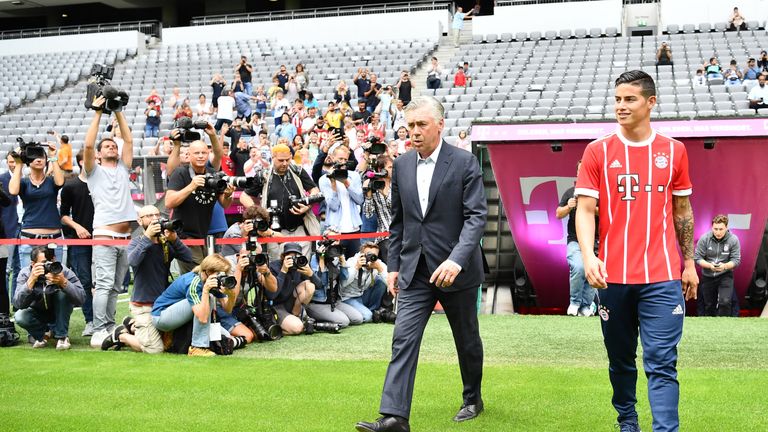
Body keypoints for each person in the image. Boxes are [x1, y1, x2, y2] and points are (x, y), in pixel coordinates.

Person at [574, 70, 698, 432]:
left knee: (662, 361)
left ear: (650, 103)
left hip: (662, 277)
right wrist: (588, 256)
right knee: (621, 360)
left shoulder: (675, 151)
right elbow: (584, 209)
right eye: (617, 99)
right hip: (613, 278)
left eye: (629, 99)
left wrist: (688, 263)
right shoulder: (597, 151)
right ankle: (627, 420)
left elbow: (682, 211)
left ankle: (665, 429)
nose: (621, 106)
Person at [356, 96, 487, 432]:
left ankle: (473, 397)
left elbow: (476, 218)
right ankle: (394, 416)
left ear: (440, 125)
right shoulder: (400, 166)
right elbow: (399, 223)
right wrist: (394, 264)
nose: (413, 132)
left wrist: (456, 260)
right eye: (410, 125)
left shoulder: (464, 162)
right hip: (415, 269)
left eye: (421, 125)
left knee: (466, 339)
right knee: (403, 338)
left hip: (457, 269)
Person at [100, 205, 193, 353]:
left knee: (171, 345)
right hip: (143, 305)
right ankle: (121, 335)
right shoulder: (136, 242)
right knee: (156, 349)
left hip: (164, 304)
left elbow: (189, 258)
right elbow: (133, 261)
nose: (155, 219)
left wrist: (175, 239)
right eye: (149, 216)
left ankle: (131, 325)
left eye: (156, 215)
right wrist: (148, 237)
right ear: (139, 220)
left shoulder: (166, 242)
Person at [83, 96, 137, 348]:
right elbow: (87, 145)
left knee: (116, 287)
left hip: (125, 239)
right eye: (106, 146)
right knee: (103, 285)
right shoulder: (93, 172)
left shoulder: (123, 168)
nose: (111, 147)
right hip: (104, 236)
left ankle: (109, 327)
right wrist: (97, 113)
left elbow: (127, 140)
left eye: (112, 145)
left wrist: (117, 112)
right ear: (100, 153)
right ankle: (98, 329)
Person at [165, 125, 231, 274]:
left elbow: (224, 204)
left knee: (210, 275)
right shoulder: (181, 173)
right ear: (189, 155)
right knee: (196, 277)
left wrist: (228, 194)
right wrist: (191, 186)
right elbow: (169, 202)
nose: (201, 156)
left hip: (204, 235)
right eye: (197, 153)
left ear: (208, 154)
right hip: (185, 237)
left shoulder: (214, 174)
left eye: (203, 153)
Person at [239, 144, 321, 260]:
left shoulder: (298, 170)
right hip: (274, 230)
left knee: (303, 267)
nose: (284, 163)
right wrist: (260, 211)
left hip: (299, 228)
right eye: (281, 160)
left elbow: (314, 190)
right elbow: (244, 196)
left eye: (287, 160)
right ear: (273, 157)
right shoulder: (264, 174)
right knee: (278, 268)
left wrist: (306, 205)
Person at [151, 254, 241, 357]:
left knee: (226, 336)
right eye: (219, 274)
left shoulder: (212, 281)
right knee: (208, 298)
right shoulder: (194, 282)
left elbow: (227, 309)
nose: (222, 277)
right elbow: (202, 318)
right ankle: (197, 347)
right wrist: (206, 291)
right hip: (161, 317)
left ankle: (171, 336)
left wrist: (231, 295)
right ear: (208, 271)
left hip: (177, 314)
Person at [9, 131, 65, 269]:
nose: (39, 159)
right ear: (28, 161)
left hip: (54, 238)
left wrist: (53, 157)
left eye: (41, 156)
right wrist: (19, 162)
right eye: (34, 157)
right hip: (29, 237)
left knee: (55, 279)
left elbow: (60, 181)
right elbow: (13, 191)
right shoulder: (24, 182)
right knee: (29, 280)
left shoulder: (51, 181)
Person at [13, 246, 84, 350]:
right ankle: (43, 334)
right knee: (20, 316)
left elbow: (81, 298)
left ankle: (62, 337)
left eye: (50, 262)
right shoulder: (25, 273)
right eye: (44, 263)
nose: (48, 265)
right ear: (33, 264)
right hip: (38, 312)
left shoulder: (63, 271)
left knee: (62, 294)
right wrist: (31, 281)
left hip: (59, 312)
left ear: (54, 259)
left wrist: (63, 282)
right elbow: (18, 303)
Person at [59, 150, 95, 336]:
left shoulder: (104, 184)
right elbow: (63, 215)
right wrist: (78, 227)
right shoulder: (71, 186)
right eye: (92, 159)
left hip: (103, 238)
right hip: (79, 242)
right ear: (82, 162)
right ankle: (90, 320)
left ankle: (106, 320)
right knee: (85, 281)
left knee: (107, 282)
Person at [556, 160, 596, 317]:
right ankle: (574, 303)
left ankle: (586, 306)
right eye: (580, 170)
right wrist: (569, 206)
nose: (582, 172)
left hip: (595, 241)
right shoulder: (571, 192)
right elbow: (558, 213)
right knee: (578, 267)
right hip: (574, 240)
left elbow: (607, 213)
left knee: (592, 271)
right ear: (578, 173)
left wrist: (588, 207)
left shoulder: (598, 192)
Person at [306, 234, 362, 327]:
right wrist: (321, 259)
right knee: (344, 322)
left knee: (357, 318)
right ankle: (316, 324)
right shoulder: (315, 257)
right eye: (331, 239)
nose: (334, 242)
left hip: (334, 301)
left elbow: (344, 278)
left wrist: (342, 261)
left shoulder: (336, 256)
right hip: (318, 302)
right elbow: (321, 283)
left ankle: (331, 316)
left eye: (336, 239)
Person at [319, 145, 364, 258]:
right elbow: (333, 206)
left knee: (354, 265)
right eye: (340, 159)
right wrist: (334, 184)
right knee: (336, 267)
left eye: (345, 159)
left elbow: (360, 200)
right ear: (332, 158)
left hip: (354, 229)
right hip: (335, 230)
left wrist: (346, 183)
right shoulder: (325, 179)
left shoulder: (354, 176)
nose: (343, 162)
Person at [268, 242, 320, 335]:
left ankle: (296, 314)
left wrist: (311, 274)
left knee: (310, 286)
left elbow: (319, 286)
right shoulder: (273, 267)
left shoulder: (299, 265)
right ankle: (276, 327)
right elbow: (272, 295)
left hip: (290, 302)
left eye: (296, 257)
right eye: (290, 257)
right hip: (276, 305)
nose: (293, 260)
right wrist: (283, 271)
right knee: (298, 328)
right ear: (283, 256)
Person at [694, 215, 741, 317]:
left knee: (725, 302)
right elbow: (697, 258)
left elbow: (736, 260)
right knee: (709, 304)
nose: (718, 232)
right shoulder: (704, 238)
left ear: (726, 227)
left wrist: (724, 266)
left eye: (721, 229)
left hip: (725, 275)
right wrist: (709, 265)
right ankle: (710, 328)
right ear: (712, 227)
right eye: (715, 229)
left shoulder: (733, 240)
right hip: (708, 276)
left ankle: (724, 326)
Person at [341, 242, 387, 322]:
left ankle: (372, 311)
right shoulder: (352, 262)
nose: (371, 257)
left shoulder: (376, 262)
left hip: (363, 294)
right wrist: (356, 268)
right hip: (348, 297)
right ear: (361, 254)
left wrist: (379, 269)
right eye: (368, 255)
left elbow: (390, 283)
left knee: (380, 282)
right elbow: (343, 284)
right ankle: (365, 313)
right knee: (367, 316)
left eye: (374, 255)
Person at [0, 152, 19, 302]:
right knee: (7, 269)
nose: (13, 164)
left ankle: (16, 301)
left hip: (26, 227)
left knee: (21, 268)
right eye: (10, 161)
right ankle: (4, 306)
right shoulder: (2, 180)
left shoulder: (28, 178)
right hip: (9, 227)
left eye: (15, 161)